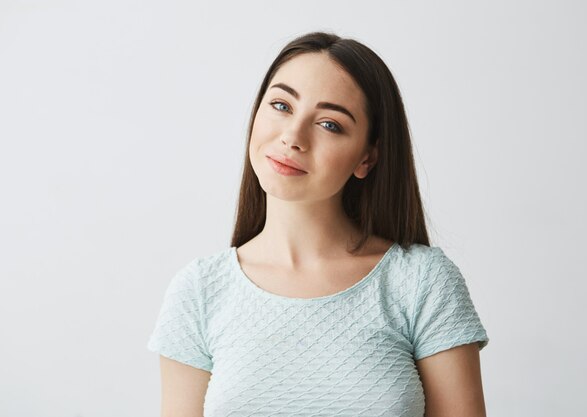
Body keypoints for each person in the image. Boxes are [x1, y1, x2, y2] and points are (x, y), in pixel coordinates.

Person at [147, 31, 489, 417]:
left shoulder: (421, 282)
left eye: (329, 124)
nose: (292, 137)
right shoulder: (199, 292)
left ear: (367, 158)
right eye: (281, 105)